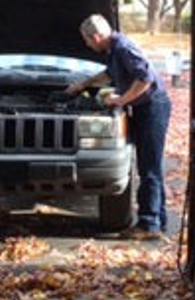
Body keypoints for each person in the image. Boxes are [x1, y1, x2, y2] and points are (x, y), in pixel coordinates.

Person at [66, 14, 172, 240]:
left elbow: (145, 78)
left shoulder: (123, 48)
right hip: (145, 107)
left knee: (148, 168)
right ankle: (157, 221)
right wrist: (82, 85)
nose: (87, 45)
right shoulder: (114, 49)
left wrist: (121, 100)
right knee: (150, 166)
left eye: (87, 40)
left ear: (96, 36)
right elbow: (108, 74)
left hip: (153, 107)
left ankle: (148, 225)